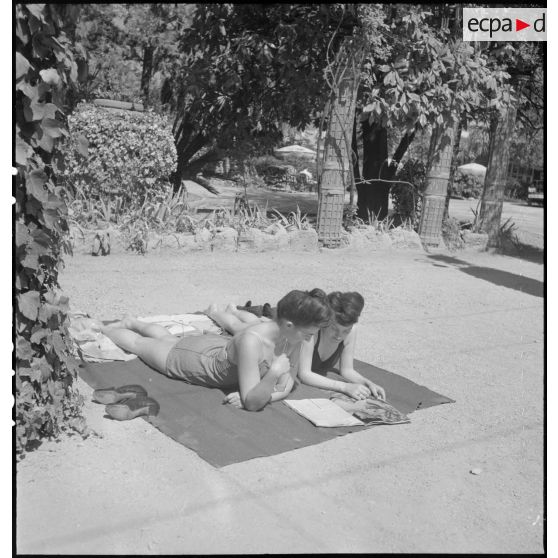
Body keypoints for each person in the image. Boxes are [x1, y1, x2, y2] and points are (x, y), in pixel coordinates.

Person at [101, 289, 331, 412]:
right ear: (289, 325)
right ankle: (101, 328)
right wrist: (272, 375)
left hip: (214, 348)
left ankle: (132, 321)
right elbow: (253, 402)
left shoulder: (294, 337)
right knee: (139, 345)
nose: (311, 339)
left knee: (167, 337)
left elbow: (285, 387)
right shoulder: (253, 341)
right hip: (194, 361)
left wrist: (264, 394)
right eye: (309, 333)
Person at [207, 292, 386, 401]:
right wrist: (344, 387)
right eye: (333, 329)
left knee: (254, 321)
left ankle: (235, 311)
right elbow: (304, 374)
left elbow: (347, 370)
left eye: (345, 331)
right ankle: (216, 313)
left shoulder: (351, 330)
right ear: (325, 323)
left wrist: (367, 383)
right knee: (240, 327)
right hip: (279, 324)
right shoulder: (309, 333)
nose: (339, 335)